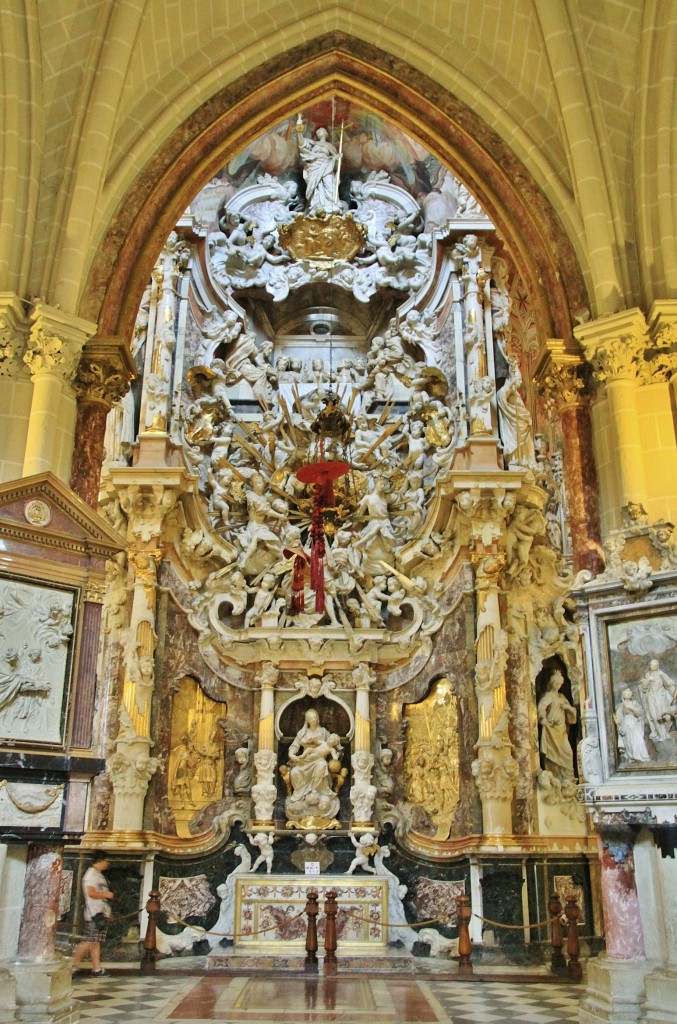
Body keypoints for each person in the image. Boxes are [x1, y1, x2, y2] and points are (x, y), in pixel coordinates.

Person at [71, 852, 114, 977]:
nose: (108, 863)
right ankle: (72, 966)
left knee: (95, 941)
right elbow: (91, 893)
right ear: (100, 860)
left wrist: (107, 912)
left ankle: (96, 968)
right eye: (106, 860)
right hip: (94, 914)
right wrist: (107, 895)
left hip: (100, 912)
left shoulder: (98, 874)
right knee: (89, 941)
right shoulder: (91, 874)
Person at [537, 670, 577, 781]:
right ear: (551, 683)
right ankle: (556, 776)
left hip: (562, 730)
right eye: (555, 684)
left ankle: (568, 777)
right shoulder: (548, 695)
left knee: (568, 752)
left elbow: (572, 712)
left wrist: (567, 708)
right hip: (551, 729)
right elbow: (541, 708)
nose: (558, 686)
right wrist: (543, 719)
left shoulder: (562, 697)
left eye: (559, 684)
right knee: (552, 753)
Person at [637, 660, 676, 741]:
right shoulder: (648, 674)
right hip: (651, 697)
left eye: (654, 665)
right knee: (654, 716)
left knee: (666, 717)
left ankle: (666, 732)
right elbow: (644, 688)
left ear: (657, 666)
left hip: (661, 697)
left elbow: (669, 682)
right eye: (651, 665)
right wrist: (647, 680)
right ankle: (660, 734)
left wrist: (673, 691)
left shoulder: (660, 673)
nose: (651, 666)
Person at [614, 689, 651, 762]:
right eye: (626, 693)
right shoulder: (620, 706)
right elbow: (619, 717)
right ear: (623, 696)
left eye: (629, 693)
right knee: (629, 741)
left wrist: (631, 707)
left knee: (638, 739)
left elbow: (639, 714)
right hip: (626, 723)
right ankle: (632, 757)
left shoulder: (634, 703)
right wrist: (619, 726)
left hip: (634, 723)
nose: (628, 694)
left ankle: (641, 756)